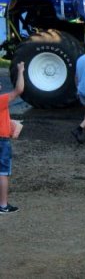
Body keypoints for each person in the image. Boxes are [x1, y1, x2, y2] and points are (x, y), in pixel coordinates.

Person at [0, 61, 24, 214]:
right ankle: (3, 205)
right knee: (2, 173)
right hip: (2, 140)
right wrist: (21, 71)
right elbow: (19, 89)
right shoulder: (1, 100)